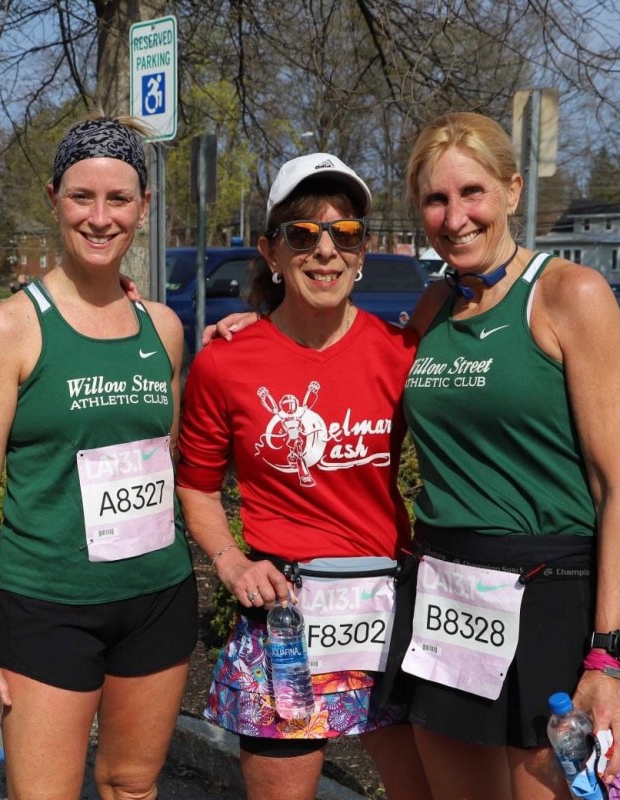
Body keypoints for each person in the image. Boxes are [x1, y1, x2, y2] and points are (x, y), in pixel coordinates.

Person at [207, 113, 620, 800]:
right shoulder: (436, 304)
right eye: (435, 200)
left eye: (472, 192)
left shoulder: (573, 295)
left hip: (547, 593)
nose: (455, 216)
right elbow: (336, 360)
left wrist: (608, 656)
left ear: (512, 189)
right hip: (444, 593)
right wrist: (258, 327)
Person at [0, 114, 196, 800]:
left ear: (143, 206)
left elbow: (165, 454)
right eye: (82, 196)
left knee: (132, 786)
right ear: (54, 198)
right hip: (49, 605)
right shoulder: (9, 328)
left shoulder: (163, 328)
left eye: (119, 199)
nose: (100, 217)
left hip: (157, 597)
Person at [176, 153, 430, 800]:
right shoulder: (225, 363)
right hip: (284, 616)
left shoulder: (401, 354)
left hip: (388, 609)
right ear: (271, 252)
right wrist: (231, 562)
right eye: (302, 234)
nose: (325, 251)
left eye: (345, 233)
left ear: (363, 250)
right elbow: (197, 485)